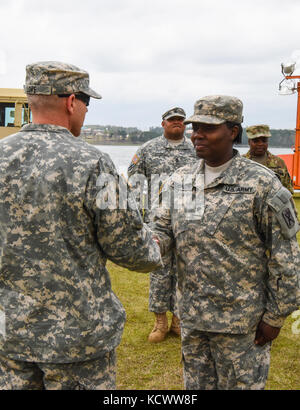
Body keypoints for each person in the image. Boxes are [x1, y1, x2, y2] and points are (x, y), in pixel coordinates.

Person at [0, 61, 162, 390]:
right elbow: (130, 247)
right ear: (72, 102)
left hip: (10, 334)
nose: (86, 111)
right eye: (87, 103)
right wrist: (154, 247)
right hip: (77, 338)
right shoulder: (93, 163)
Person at [151, 95, 300, 389]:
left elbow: (286, 255)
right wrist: (141, 244)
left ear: (233, 131)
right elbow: (162, 230)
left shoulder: (262, 183)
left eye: (208, 128)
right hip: (192, 319)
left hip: (242, 324)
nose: (197, 135)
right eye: (195, 127)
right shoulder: (180, 180)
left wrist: (275, 315)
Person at [128, 107, 196, 343]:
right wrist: (137, 215)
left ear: (185, 125)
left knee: (185, 270)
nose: (177, 123)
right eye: (172, 120)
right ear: (163, 124)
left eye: (180, 120)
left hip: (189, 219)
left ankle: (178, 320)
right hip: (157, 221)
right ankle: (160, 323)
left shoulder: (196, 148)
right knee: (159, 270)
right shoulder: (149, 149)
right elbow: (135, 183)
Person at [243, 124, 294, 193]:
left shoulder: (279, 163)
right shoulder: (240, 163)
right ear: (249, 142)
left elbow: (288, 190)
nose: (260, 144)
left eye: (264, 141)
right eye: (256, 141)